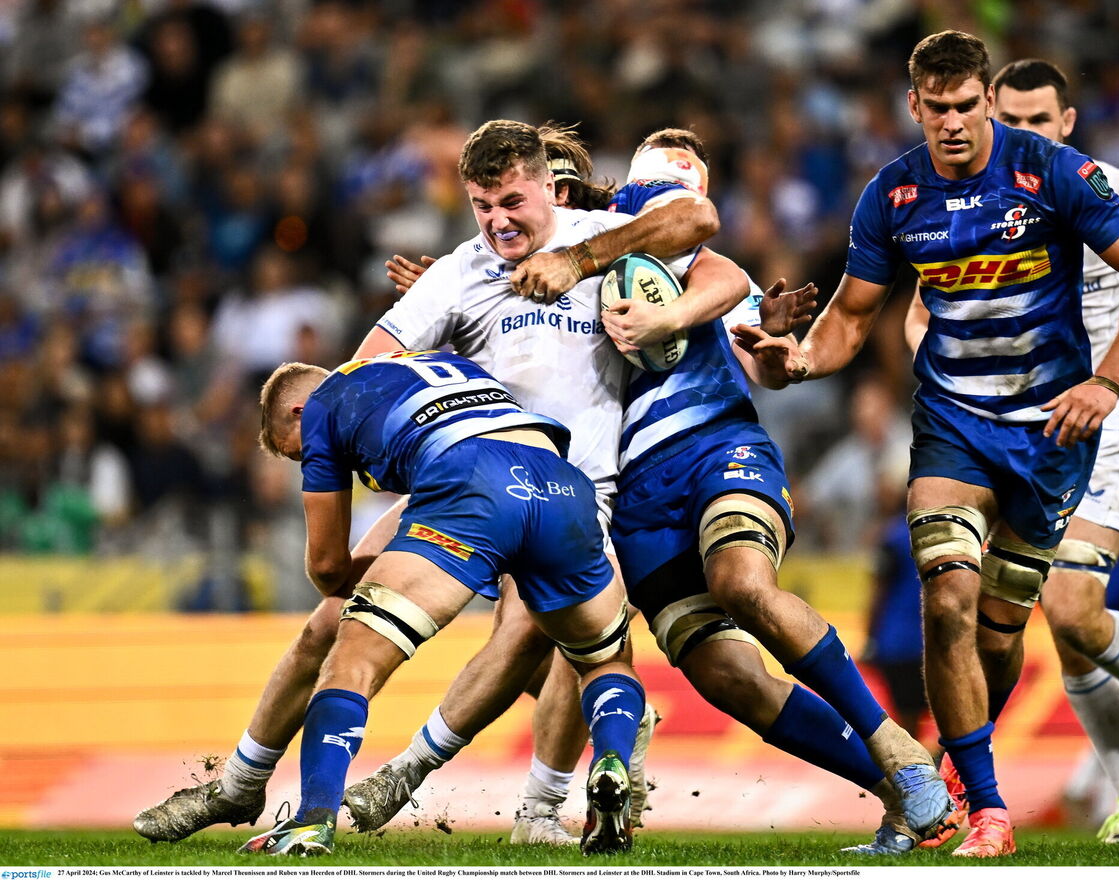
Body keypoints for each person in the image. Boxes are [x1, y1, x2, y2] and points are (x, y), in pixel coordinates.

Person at [356, 125, 956, 858]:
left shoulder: (639, 238)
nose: (683, 191)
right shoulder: (515, 263)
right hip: (627, 496)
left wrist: (740, 340)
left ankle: (895, 748)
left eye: (692, 178)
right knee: (720, 671)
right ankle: (895, 789)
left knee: (735, 586)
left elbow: (724, 281)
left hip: (713, 449)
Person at [130, 121, 717, 847]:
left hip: (576, 479)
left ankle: (525, 807)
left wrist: (579, 259)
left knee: (534, 634)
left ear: (545, 188)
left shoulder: (604, 237)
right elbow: (366, 367)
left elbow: (699, 221)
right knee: (333, 621)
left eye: (510, 201)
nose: (497, 220)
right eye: (481, 205)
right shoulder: (459, 272)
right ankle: (240, 784)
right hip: (455, 467)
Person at [732, 31, 1119, 857]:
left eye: (967, 106)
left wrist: (1107, 381)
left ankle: (952, 781)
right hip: (952, 428)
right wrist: (794, 362)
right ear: (915, 107)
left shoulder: (1051, 171)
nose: (954, 123)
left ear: (984, 99)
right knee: (945, 595)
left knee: (1001, 631)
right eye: (936, 109)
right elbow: (853, 318)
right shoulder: (894, 194)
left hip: (1051, 434)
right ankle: (987, 809)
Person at [903, 58, 1119, 846]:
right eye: (1016, 118)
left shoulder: (1115, 190)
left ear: (1068, 123)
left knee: (1070, 606)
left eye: (1042, 120)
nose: (1027, 132)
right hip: (1005, 427)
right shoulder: (978, 195)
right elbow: (929, 302)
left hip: (1104, 415)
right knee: (1057, 625)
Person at [238, 351, 645, 856]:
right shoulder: (432, 362)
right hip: (561, 482)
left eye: (298, 454)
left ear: (298, 413)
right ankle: (610, 762)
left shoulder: (321, 404)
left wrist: (367, 576)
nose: (308, 462)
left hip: (471, 477)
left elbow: (326, 568)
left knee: (353, 658)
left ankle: (309, 821)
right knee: (605, 659)